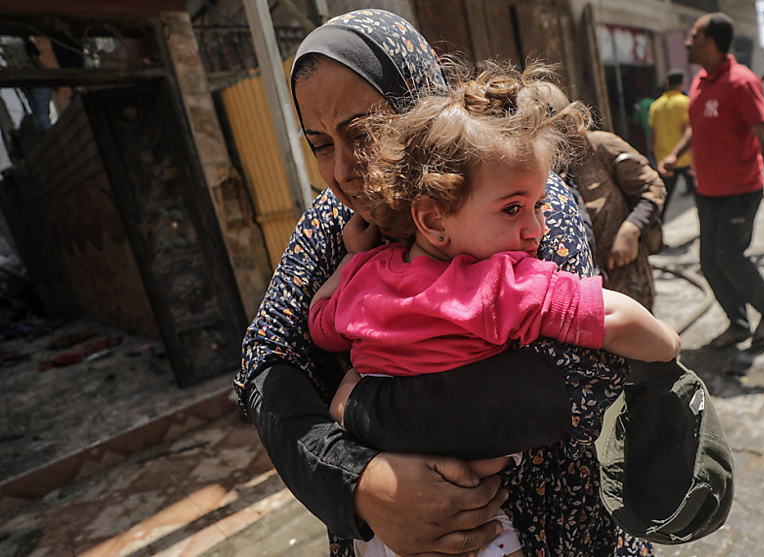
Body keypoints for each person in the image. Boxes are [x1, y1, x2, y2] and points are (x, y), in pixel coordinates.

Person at [236, 9, 651, 557]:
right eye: (319, 144)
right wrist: (359, 482)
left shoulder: (519, 199)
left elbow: (577, 377)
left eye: (363, 134)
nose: (341, 171)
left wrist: (362, 405)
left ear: (422, 108)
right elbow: (265, 362)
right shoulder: (331, 224)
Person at [308, 66, 682, 556]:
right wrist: (667, 346)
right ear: (432, 218)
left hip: (381, 526)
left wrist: (351, 260)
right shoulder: (495, 285)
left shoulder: (365, 278)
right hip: (477, 523)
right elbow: (615, 318)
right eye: (512, 209)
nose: (536, 230)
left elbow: (319, 325)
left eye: (540, 206)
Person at [658, 12, 764, 350]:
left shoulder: (741, 81)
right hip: (708, 192)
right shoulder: (700, 81)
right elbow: (696, 127)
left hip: (740, 190)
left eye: (694, 37)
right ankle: (739, 323)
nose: (687, 42)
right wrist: (676, 154)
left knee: (730, 256)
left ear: (712, 42)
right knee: (709, 263)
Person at [541, 82, 667, 311]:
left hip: (625, 282)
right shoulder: (534, 169)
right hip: (576, 299)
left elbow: (652, 187)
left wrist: (632, 229)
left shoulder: (600, 146)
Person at [650, 70, 696, 212]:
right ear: (682, 83)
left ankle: (657, 229)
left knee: (663, 200)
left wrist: (656, 156)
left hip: (664, 160)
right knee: (700, 197)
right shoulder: (685, 102)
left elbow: (653, 135)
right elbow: (688, 131)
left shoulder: (655, 106)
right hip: (686, 158)